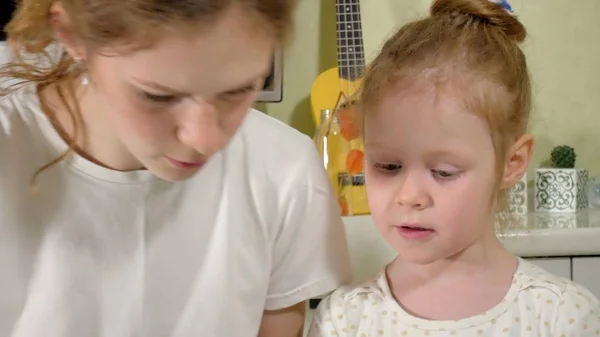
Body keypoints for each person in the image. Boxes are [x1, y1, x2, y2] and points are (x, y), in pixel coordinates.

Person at [0, 0, 352, 336]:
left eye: (239, 90)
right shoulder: (10, 147)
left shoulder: (283, 166)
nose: (205, 140)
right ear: (71, 35)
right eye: (158, 96)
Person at [308, 0, 600, 336]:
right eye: (388, 166)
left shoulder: (562, 317)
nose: (410, 196)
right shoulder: (344, 320)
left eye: (444, 172)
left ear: (512, 162)